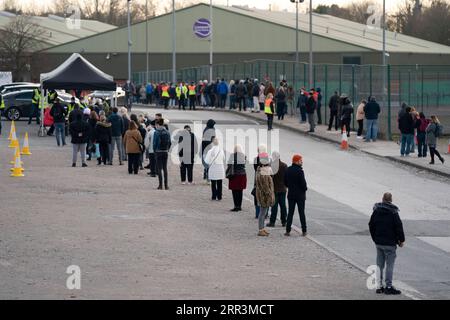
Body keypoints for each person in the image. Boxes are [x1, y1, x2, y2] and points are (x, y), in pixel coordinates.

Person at [369, 192, 405, 295]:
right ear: (391, 200)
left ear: (382, 199)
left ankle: (379, 286)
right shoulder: (393, 212)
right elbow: (398, 227)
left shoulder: (376, 210)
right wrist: (401, 240)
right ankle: (388, 286)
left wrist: (375, 238)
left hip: (379, 243)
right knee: (390, 265)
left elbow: (371, 225)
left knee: (379, 264)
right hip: (390, 244)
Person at [284, 154, 308, 236]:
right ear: (297, 161)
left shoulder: (288, 170)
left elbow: (285, 182)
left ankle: (288, 230)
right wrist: (305, 189)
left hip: (291, 195)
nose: (302, 162)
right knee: (301, 213)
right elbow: (303, 184)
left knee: (290, 212)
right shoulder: (300, 171)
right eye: (301, 160)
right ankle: (304, 230)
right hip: (300, 196)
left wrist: (290, 187)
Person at [255, 152, 275, 237]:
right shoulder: (264, 172)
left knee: (263, 212)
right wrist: (270, 195)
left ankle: (262, 228)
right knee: (262, 213)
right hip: (264, 196)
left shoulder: (261, 169)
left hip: (262, 194)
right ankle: (260, 230)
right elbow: (266, 187)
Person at [267, 151, 287, 228]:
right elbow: (287, 177)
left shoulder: (271, 166)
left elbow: (269, 178)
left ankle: (272, 222)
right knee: (283, 206)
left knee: (274, 206)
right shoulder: (284, 165)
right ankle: (284, 221)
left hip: (274, 189)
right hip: (283, 189)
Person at [227, 145, 247, 212]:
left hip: (235, 175)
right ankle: (239, 206)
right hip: (242, 175)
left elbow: (229, 164)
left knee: (234, 191)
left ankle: (236, 206)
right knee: (240, 191)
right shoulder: (244, 156)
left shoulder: (232, 155)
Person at [153, 118, 171, 190]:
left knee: (159, 168)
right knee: (165, 168)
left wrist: (155, 150)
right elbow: (170, 142)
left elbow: (154, 143)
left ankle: (160, 185)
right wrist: (167, 149)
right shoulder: (167, 132)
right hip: (165, 151)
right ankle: (166, 185)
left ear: (158, 124)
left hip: (158, 151)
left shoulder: (156, 132)